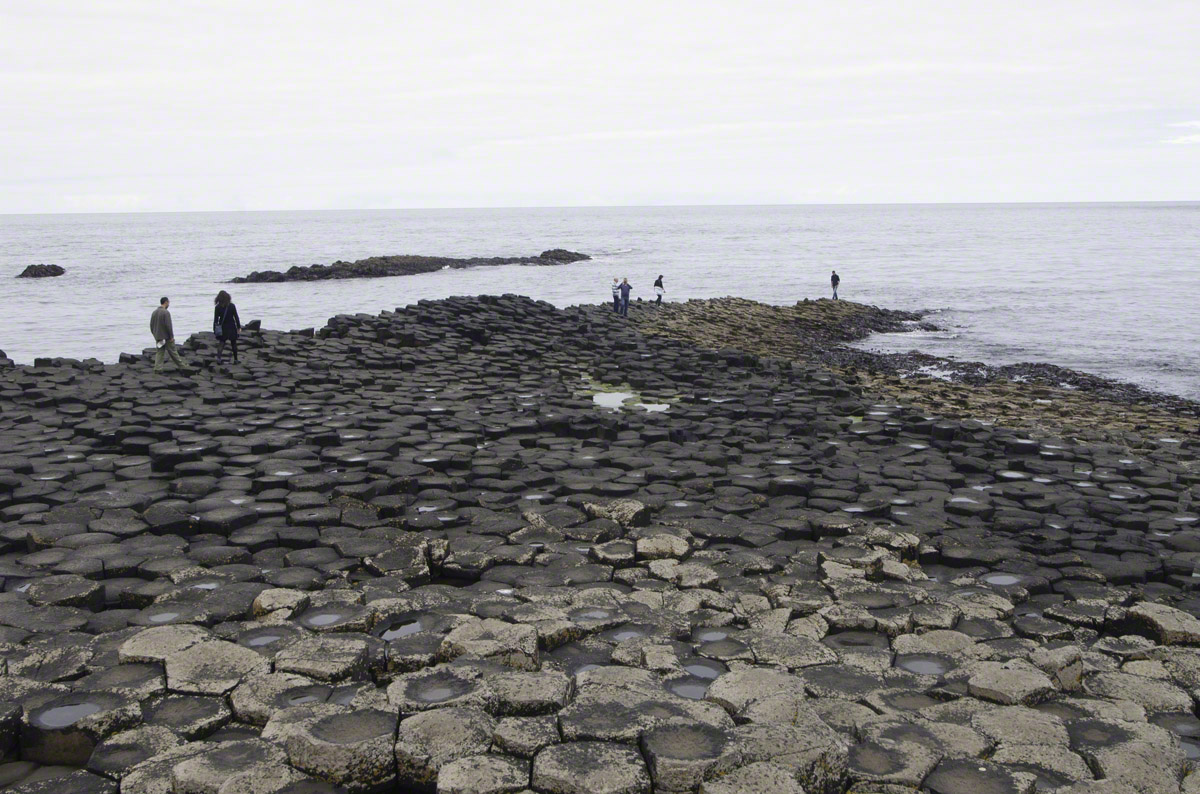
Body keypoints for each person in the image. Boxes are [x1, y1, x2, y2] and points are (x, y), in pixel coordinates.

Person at [150, 297, 189, 374]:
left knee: (159, 352)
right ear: (166, 302)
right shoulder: (166, 313)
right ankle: (182, 366)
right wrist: (171, 337)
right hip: (166, 337)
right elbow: (168, 326)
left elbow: (151, 325)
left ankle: (158, 368)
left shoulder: (154, 312)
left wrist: (155, 335)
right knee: (173, 352)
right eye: (168, 302)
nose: (169, 304)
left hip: (158, 337)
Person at [213, 290, 243, 365]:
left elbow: (216, 320)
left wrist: (215, 329)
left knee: (222, 343)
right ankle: (236, 360)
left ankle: (219, 359)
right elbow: (236, 317)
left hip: (223, 328)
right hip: (232, 326)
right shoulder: (232, 306)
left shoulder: (218, 307)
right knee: (233, 343)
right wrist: (239, 327)